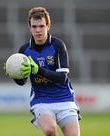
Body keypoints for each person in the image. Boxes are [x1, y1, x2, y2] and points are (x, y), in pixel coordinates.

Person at [5, 6, 81, 136]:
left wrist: (38, 70)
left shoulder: (58, 45)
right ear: (30, 28)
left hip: (64, 98)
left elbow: (62, 77)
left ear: (48, 26)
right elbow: (22, 82)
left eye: (41, 26)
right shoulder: (24, 50)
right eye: (34, 27)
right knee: (50, 130)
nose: (38, 30)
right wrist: (14, 74)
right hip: (42, 100)